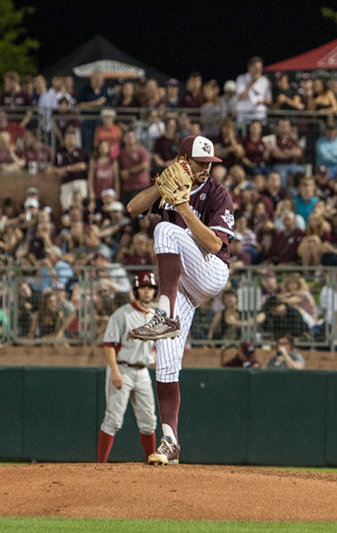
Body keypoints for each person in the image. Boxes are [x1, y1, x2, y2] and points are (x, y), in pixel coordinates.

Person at [126, 134, 232, 465]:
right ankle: (169, 441)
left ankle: (165, 313)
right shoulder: (172, 184)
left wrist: (182, 208)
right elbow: (133, 208)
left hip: (211, 272)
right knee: (166, 364)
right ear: (183, 161)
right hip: (183, 285)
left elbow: (215, 246)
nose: (207, 169)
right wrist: (161, 188)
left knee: (165, 231)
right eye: (202, 163)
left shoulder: (217, 193)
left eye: (210, 164)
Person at [96, 272, 159, 463]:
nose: (147, 291)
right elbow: (108, 345)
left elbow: (155, 347)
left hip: (142, 371)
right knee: (113, 420)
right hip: (122, 368)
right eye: (143, 287)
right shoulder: (122, 314)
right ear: (136, 290)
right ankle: (100, 464)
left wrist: (152, 359)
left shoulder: (156, 316)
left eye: (150, 288)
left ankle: (152, 460)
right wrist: (114, 371)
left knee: (149, 422)